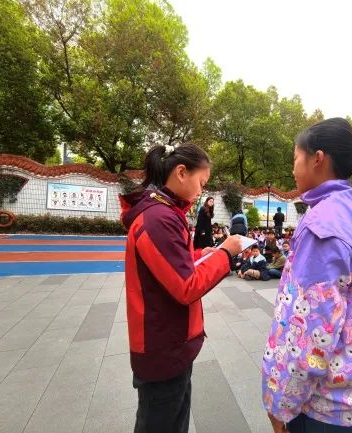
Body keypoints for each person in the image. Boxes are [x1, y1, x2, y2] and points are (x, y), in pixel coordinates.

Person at [262, 118, 352, 433]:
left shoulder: (322, 227)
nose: (293, 169)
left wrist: (281, 406)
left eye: (295, 159)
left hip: (324, 407)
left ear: (318, 158)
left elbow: (311, 334)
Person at [119, 143, 242, 433]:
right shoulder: (159, 218)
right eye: (202, 182)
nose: (202, 191)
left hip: (167, 342)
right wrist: (225, 254)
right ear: (182, 172)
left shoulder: (161, 212)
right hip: (164, 346)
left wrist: (203, 255)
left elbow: (173, 264)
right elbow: (186, 286)